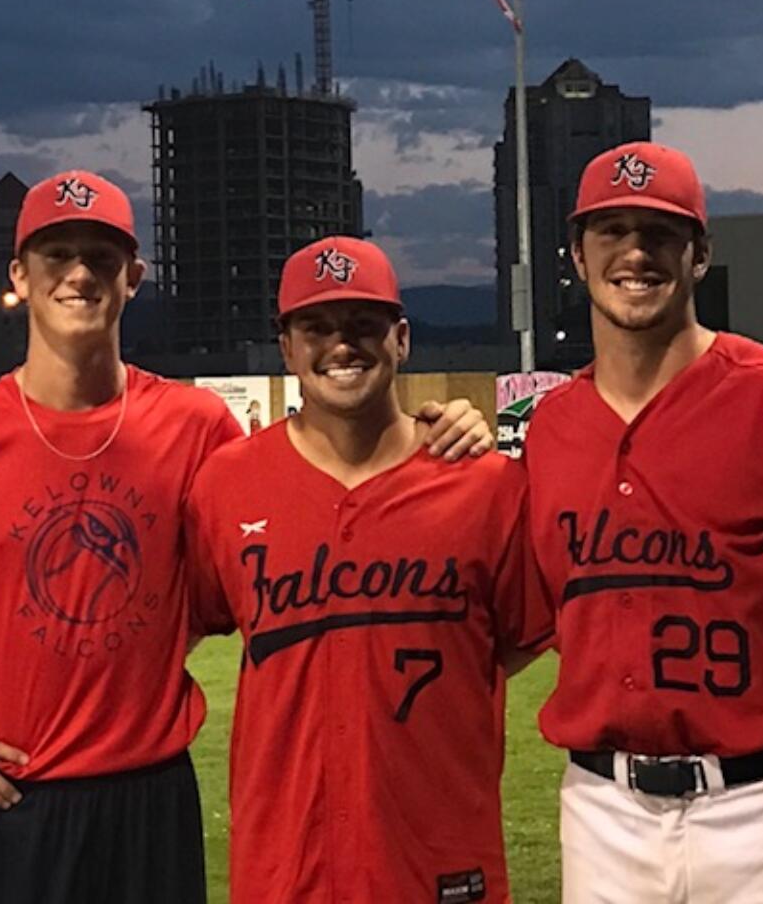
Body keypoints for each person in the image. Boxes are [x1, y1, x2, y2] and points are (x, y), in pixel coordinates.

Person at [0, 171, 493, 903]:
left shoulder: (197, 428)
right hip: (1, 804)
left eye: (102, 257)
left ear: (134, 277)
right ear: (19, 274)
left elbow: (308, 500)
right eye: (57, 255)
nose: (80, 273)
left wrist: (434, 431)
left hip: (150, 802)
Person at [522, 142, 763, 904]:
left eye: (662, 233)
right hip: (602, 813)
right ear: (576, 254)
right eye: (613, 231)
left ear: (699, 253)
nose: (637, 253)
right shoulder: (551, 428)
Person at [185, 235, 554, 903]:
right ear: (287, 346)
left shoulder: (485, 485)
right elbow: (190, 621)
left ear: (402, 338)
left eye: (363, 325)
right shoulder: (226, 485)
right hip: (285, 867)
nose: (342, 345)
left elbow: (520, 635)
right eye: (317, 327)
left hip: (440, 862)